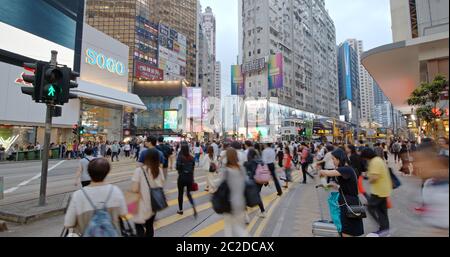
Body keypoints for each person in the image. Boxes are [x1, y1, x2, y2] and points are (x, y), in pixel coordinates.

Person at [64, 158, 127, 236]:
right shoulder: (115, 191)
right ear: (107, 172)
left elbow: (68, 223)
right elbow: (124, 214)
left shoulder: (78, 195)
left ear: (88, 172)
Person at [318, 149, 365, 237]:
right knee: (351, 230)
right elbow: (348, 187)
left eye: (333, 159)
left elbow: (329, 173)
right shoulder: (348, 169)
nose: (333, 161)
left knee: (347, 231)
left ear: (339, 158)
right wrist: (334, 186)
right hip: (352, 203)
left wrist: (321, 171)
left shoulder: (345, 169)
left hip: (349, 204)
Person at [130, 148, 165, 237]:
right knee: (149, 226)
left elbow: (134, 189)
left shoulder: (139, 170)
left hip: (141, 204)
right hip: (153, 204)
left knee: (138, 226)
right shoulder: (159, 170)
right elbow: (161, 185)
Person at [360, 148, 392, 237]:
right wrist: (367, 174)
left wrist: (369, 179)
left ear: (367, 156)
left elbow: (374, 177)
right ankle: (385, 230)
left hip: (379, 191)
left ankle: (383, 229)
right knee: (382, 211)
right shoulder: (378, 160)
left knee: (371, 207)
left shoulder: (374, 162)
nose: (364, 160)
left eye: (364, 158)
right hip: (383, 190)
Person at [217, 148, 249, 237]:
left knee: (229, 227)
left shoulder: (226, 170)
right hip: (241, 201)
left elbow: (220, 185)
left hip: (229, 203)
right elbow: (245, 182)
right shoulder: (241, 168)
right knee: (240, 227)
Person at [176, 143, 197, 218]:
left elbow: (177, 167)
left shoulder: (180, 157)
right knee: (188, 194)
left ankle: (180, 210)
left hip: (182, 177)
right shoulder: (192, 158)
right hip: (190, 178)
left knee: (180, 194)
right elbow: (193, 168)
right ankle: (193, 206)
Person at [244, 149, 266, 218]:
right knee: (257, 195)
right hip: (261, 181)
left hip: (254, 181)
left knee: (245, 196)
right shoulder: (260, 160)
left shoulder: (251, 162)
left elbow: (251, 172)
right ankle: (262, 211)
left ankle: (246, 216)